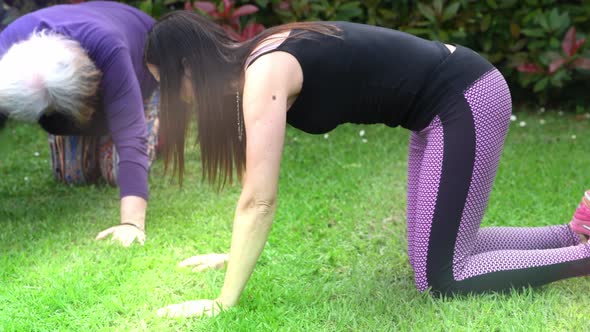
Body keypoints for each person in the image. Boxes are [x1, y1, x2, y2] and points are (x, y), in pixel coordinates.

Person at [145, 11, 590, 317]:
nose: (175, 99)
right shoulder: (250, 69)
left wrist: (224, 302)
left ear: (189, 67)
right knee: (435, 261)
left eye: (168, 86)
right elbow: (252, 185)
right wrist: (232, 255)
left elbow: (259, 201)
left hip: (465, 96)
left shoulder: (263, 72)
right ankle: (574, 235)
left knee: (445, 276)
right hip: (435, 110)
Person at [0, 1, 159, 246]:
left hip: (139, 70)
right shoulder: (6, 53)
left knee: (115, 172)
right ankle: (92, 130)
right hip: (75, 101)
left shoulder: (108, 45)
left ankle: (154, 112)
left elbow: (131, 136)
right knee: (73, 175)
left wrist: (131, 223)